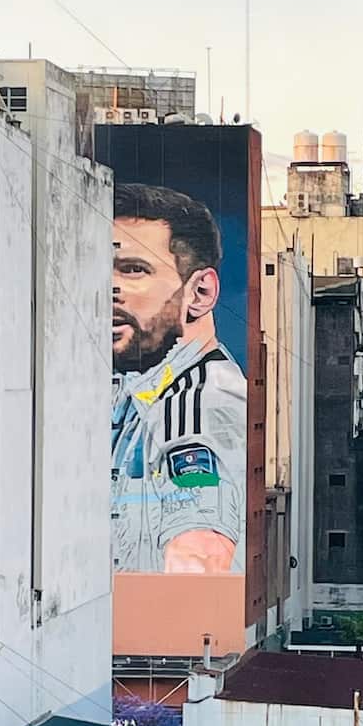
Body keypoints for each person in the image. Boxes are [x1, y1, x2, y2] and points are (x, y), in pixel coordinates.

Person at [111, 181, 247, 574]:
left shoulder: (199, 408)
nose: (108, 289)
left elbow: (200, 561)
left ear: (200, 293)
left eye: (133, 270)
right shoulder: (136, 389)